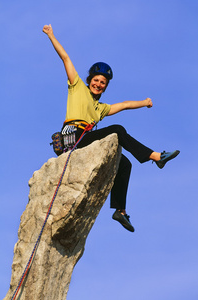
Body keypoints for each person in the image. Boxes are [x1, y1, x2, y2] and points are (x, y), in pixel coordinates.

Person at [43, 24, 180, 233]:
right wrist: (51, 35)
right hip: (74, 136)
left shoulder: (101, 107)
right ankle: (154, 156)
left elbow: (124, 105)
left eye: (103, 82)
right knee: (116, 129)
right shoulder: (77, 87)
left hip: (87, 139)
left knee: (123, 163)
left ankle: (120, 211)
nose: (98, 84)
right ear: (90, 80)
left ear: (105, 86)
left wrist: (145, 102)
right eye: (96, 80)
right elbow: (66, 59)